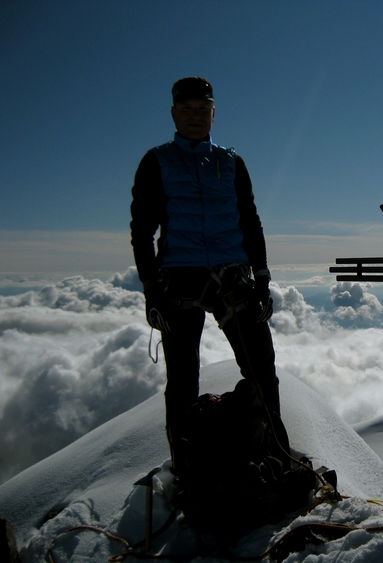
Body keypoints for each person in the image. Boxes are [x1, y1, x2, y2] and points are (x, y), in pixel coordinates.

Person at [130, 76, 279, 477]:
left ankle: (277, 455)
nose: (196, 116)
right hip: (179, 279)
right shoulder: (157, 161)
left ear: (213, 113)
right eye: (188, 109)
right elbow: (142, 229)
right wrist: (150, 290)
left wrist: (262, 278)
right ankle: (186, 469)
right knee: (182, 381)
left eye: (203, 109)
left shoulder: (231, 162)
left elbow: (249, 220)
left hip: (233, 275)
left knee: (262, 370)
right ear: (174, 113)